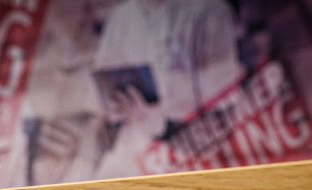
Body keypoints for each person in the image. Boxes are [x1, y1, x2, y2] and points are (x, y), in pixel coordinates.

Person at [90, 0, 243, 178]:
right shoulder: (121, 17)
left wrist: (160, 123)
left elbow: (224, 106)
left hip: (188, 162)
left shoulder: (210, 11)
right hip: (129, 158)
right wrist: (113, 109)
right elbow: (101, 92)